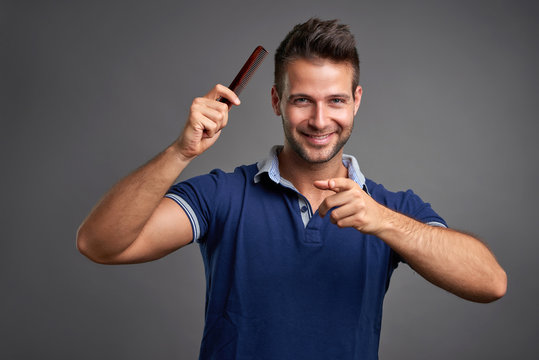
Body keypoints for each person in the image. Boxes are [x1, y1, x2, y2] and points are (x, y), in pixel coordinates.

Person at [77, 18, 507, 359]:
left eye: (336, 101)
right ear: (276, 101)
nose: (320, 121)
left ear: (356, 100)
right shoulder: (222, 196)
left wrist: (384, 221)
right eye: (302, 100)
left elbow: (491, 282)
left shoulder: (389, 208)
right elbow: (100, 244)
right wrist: (180, 152)